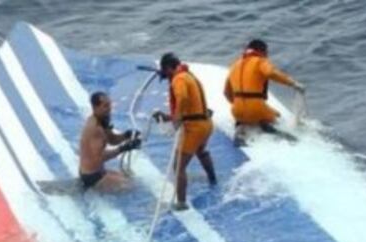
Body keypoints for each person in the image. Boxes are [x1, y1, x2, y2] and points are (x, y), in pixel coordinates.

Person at [152, 53, 218, 211]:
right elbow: (191, 108)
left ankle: (181, 203)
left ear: (168, 68)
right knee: (201, 152)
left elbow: (182, 98)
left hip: (194, 128)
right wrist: (169, 117)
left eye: (165, 71)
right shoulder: (188, 75)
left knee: (178, 165)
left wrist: (177, 119)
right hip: (206, 124)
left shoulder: (179, 79)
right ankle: (213, 180)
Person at [224, 39, 305, 142]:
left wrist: (240, 104)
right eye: (266, 52)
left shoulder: (234, 65)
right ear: (262, 51)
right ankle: (266, 126)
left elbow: (226, 92)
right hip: (256, 109)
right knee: (277, 115)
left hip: (236, 111)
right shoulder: (260, 61)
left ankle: (241, 127)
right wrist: (293, 83)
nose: (267, 55)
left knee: (246, 116)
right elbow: (270, 73)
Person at [78, 91, 142, 192]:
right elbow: (99, 158)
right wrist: (123, 148)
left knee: (130, 178)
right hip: (92, 177)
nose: (109, 109)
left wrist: (126, 135)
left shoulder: (102, 120)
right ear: (95, 108)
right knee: (130, 187)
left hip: (99, 171)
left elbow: (112, 140)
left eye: (110, 105)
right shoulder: (95, 128)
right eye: (105, 106)